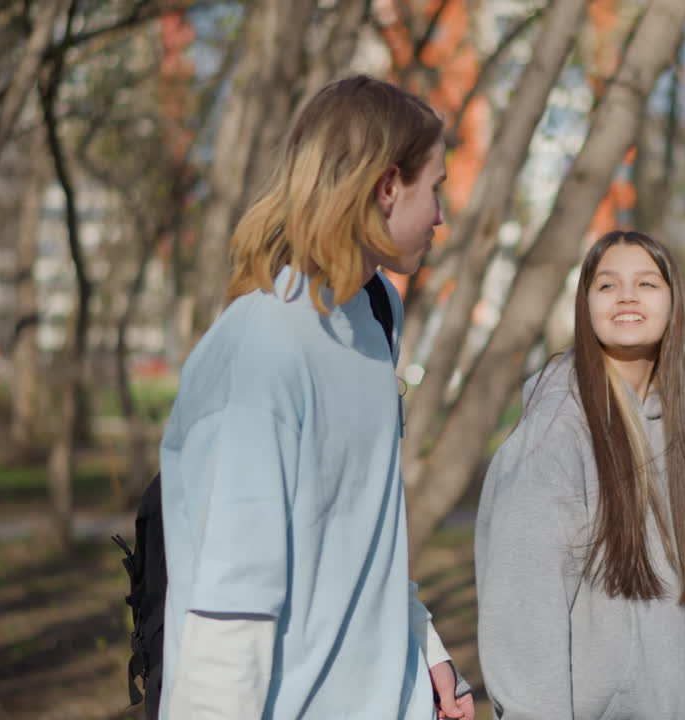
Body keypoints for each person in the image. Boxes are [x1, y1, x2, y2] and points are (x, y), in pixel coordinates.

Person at [158, 75, 474, 720]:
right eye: (435, 188)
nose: (442, 214)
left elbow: (363, 524)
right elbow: (227, 616)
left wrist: (424, 644)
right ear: (388, 187)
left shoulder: (377, 311)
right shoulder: (259, 356)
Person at [475, 230, 685, 719]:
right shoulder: (556, 434)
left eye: (647, 283)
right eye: (608, 285)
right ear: (585, 304)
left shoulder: (683, 432)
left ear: (675, 302)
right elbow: (523, 615)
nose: (627, 296)